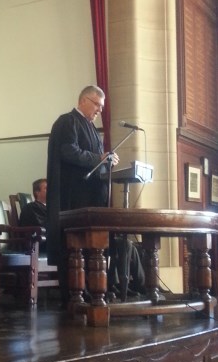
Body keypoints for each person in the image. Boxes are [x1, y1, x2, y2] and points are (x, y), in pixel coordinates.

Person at [46, 85, 145, 302]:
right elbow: (68, 151)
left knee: (94, 248)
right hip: (74, 199)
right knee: (75, 248)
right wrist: (99, 158)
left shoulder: (91, 128)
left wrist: (107, 162)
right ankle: (75, 295)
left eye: (101, 106)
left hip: (91, 199)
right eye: (97, 105)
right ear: (83, 100)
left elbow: (93, 160)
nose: (100, 110)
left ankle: (96, 290)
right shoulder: (67, 121)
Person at [19, 178, 48, 252]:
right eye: (46, 188)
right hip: (37, 243)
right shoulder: (31, 207)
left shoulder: (51, 208)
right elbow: (42, 226)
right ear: (37, 192)